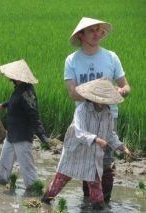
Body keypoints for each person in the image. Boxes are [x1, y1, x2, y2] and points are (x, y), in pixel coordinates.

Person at [64, 17, 131, 202]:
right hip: (85, 118)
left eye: (98, 30)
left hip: (108, 116)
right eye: (91, 30)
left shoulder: (111, 57)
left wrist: (121, 91)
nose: (96, 33)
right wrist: (96, 94)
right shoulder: (72, 60)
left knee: (106, 161)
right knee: (88, 161)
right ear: (81, 35)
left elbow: (125, 86)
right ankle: (89, 200)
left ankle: (104, 202)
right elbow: (72, 93)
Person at [41, 79, 131, 210]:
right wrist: (97, 139)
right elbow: (79, 131)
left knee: (97, 193)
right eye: (101, 99)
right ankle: (44, 203)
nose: (103, 103)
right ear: (93, 98)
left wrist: (122, 147)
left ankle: (98, 207)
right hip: (75, 152)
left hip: (92, 157)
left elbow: (110, 134)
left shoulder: (108, 114)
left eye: (106, 100)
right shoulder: (82, 110)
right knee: (59, 183)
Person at [0, 59, 45, 190]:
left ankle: (34, 189)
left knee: (26, 165)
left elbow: (34, 115)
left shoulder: (28, 92)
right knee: (4, 162)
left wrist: (43, 137)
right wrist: (4, 105)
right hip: (12, 133)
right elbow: (15, 101)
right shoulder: (19, 88)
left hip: (22, 135)